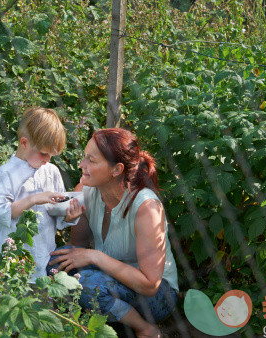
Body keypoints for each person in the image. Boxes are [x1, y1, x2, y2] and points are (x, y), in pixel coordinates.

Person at [48, 128, 178, 338]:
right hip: (111, 279)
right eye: (84, 157)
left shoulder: (146, 207)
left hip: (157, 297)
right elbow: (77, 248)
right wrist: (77, 217)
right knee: (56, 262)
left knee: (87, 284)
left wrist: (95, 256)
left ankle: (144, 328)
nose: (82, 164)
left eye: (91, 160)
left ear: (116, 170)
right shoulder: (88, 189)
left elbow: (150, 285)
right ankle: (110, 316)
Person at [0, 107, 84, 282]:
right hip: (12, 265)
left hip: (44, 261)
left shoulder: (51, 171)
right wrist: (33, 199)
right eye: (44, 153)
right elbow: (0, 214)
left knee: (41, 305)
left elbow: (57, 218)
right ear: (24, 143)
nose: (47, 159)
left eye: (52, 155)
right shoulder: (5, 174)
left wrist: (69, 215)